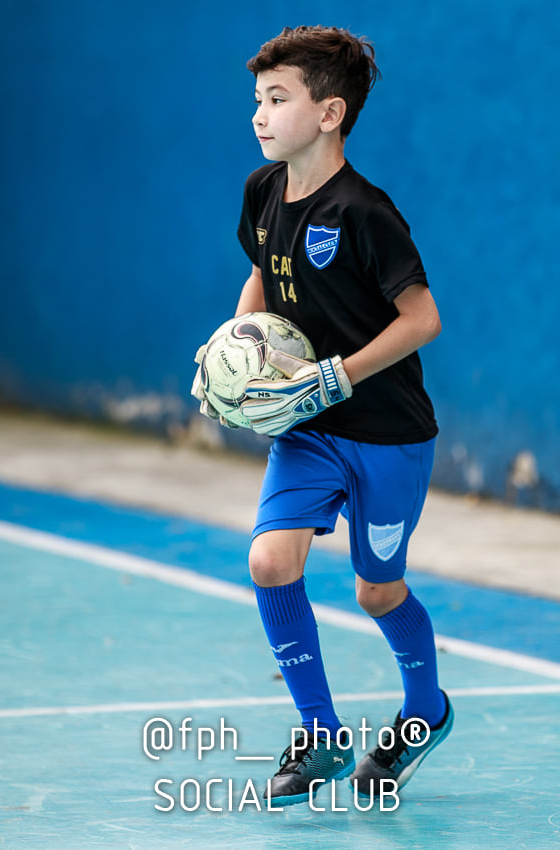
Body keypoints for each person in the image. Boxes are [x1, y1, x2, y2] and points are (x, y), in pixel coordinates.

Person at [192, 24, 453, 807]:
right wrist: (233, 358)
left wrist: (334, 377)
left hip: (386, 433)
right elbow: (261, 280)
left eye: (278, 99)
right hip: (306, 433)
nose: (259, 115)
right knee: (271, 562)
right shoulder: (260, 191)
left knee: (377, 591)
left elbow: (421, 319)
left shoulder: (366, 212)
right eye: (256, 100)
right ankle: (320, 735)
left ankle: (425, 713)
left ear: (329, 111)